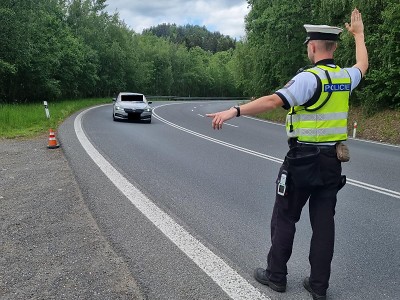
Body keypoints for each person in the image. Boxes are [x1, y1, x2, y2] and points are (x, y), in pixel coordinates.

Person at [206, 8, 368, 300]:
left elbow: (271, 101)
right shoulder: (344, 77)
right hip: (332, 162)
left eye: (308, 44)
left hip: (302, 161)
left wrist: (235, 110)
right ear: (333, 46)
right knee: (323, 225)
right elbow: (362, 66)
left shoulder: (309, 79)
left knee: (284, 216)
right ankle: (319, 287)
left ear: (314, 46)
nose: (308, 48)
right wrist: (359, 36)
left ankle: (276, 276)